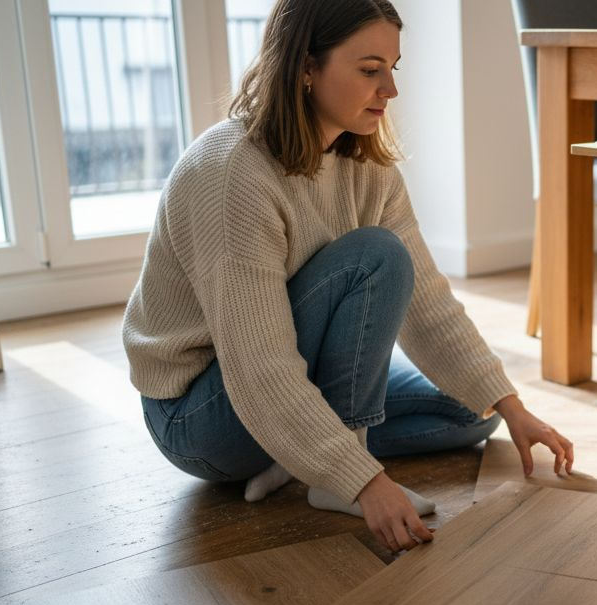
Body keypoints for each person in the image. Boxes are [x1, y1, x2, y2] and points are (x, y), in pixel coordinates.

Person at [122, 0, 572, 553]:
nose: (390, 89)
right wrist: (365, 483)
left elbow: (429, 302)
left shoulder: (368, 169)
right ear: (306, 67)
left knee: (470, 409)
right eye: (369, 69)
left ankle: (306, 452)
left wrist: (513, 407)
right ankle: (327, 468)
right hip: (202, 416)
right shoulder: (231, 174)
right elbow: (257, 364)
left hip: (273, 378)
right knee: (373, 255)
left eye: (393, 68)